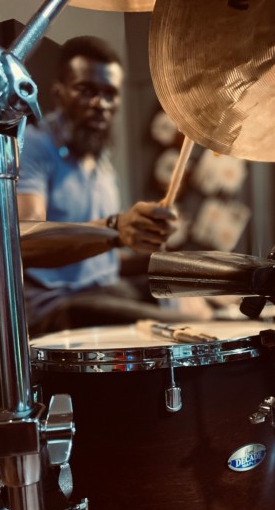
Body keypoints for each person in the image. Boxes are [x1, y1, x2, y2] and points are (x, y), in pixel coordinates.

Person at [17, 35, 212, 337]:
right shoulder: (36, 146)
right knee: (194, 327)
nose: (101, 103)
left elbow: (104, 262)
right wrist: (116, 228)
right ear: (58, 92)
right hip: (58, 305)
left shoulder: (101, 160)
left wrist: (160, 259)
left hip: (107, 289)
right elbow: (26, 244)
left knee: (206, 304)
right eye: (86, 90)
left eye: (110, 93)